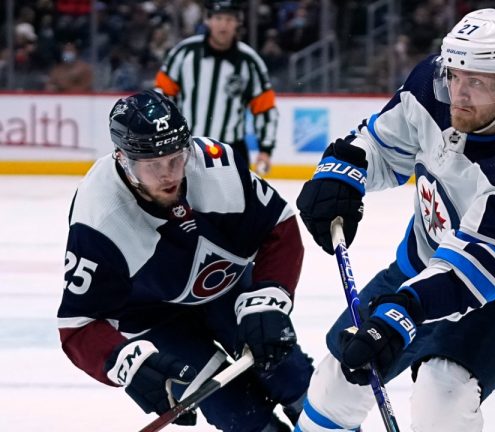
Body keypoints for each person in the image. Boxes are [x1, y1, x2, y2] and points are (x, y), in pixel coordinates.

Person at [295, 9, 495, 431]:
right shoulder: (434, 85)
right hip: (426, 258)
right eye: (456, 76)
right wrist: (343, 172)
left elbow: (474, 271)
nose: (459, 94)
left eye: (478, 83)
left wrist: (401, 314)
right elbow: (383, 144)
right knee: (336, 382)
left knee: (441, 397)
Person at [56, 90, 313, 431]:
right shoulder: (98, 221)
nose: (169, 175)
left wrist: (268, 297)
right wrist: (124, 362)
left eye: (176, 158)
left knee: (288, 371)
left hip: (226, 285)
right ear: (123, 159)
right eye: (152, 165)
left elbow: (279, 225)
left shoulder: (217, 165)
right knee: (235, 411)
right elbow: (78, 326)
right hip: (153, 317)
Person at [155, 0, 277, 173]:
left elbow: (265, 107)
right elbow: (162, 98)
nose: (223, 25)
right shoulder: (184, 53)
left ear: (238, 22)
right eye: (218, 18)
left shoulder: (250, 61)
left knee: (236, 200)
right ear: (207, 20)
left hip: (232, 149)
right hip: (187, 147)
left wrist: (265, 149)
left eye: (229, 19)